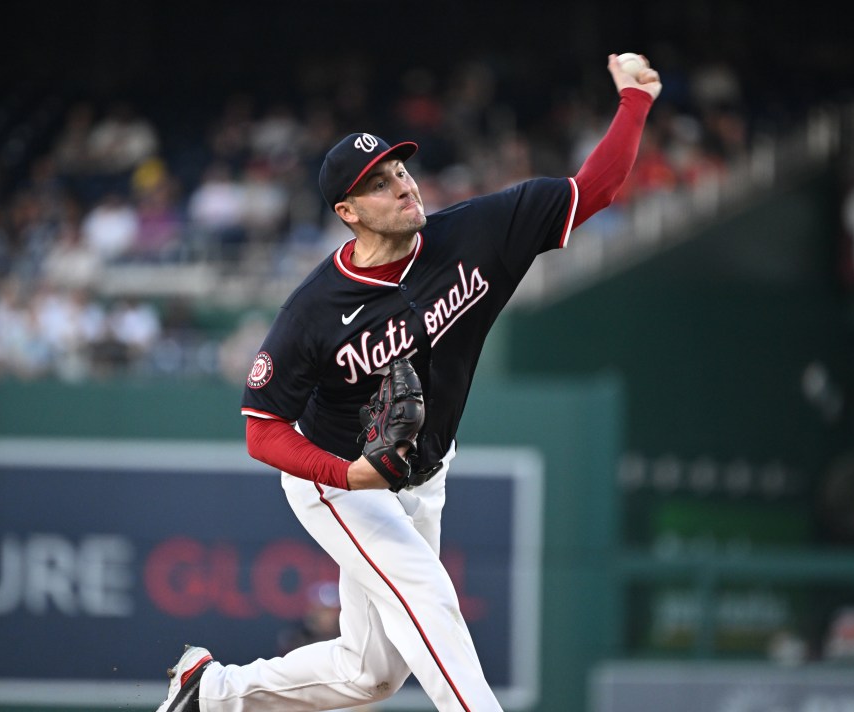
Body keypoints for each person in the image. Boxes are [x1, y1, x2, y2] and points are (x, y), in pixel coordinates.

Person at [154, 54, 662, 712]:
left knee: (370, 676)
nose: (403, 186)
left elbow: (594, 188)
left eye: (400, 170)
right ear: (349, 211)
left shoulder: (477, 233)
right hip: (337, 471)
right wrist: (349, 478)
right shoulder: (313, 310)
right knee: (427, 593)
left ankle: (212, 692)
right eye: (379, 183)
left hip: (423, 471)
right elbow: (261, 429)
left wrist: (634, 102)